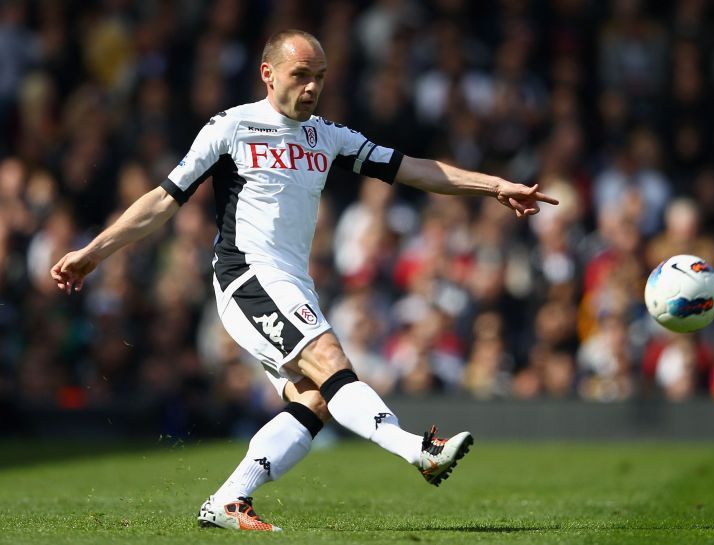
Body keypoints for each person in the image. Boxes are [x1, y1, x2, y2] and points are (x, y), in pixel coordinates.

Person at [50, 30, 558, 532]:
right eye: (301, 75)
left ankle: (229, 500)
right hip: (246, 275)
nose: (312, 88)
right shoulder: (231, 127)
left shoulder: (328, 135)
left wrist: (493, 185)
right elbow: (164, 198)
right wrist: (95, 251)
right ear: (268, 74)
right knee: (331, 360)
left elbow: (413, 170)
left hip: (293, 281)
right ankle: (417, 450)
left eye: (319, 77)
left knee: (315, 398)